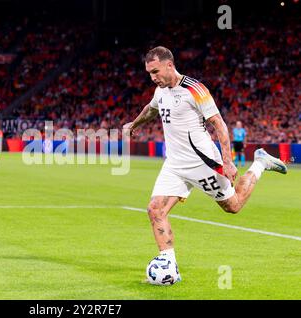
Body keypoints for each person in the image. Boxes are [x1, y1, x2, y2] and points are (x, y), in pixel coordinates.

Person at [123, 46, 287, 284]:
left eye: (155, 71)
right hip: (175, 164)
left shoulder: (195, 89)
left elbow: (218, 124)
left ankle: (260, 162)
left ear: (170, 65)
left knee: (233, 205)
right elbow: (151, 109)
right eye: (149, 73)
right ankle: (168, 266)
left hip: (203, 163)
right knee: (155, 209)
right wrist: (134, 125)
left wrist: (228, 161)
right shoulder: (160, 91)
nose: (153, 77)